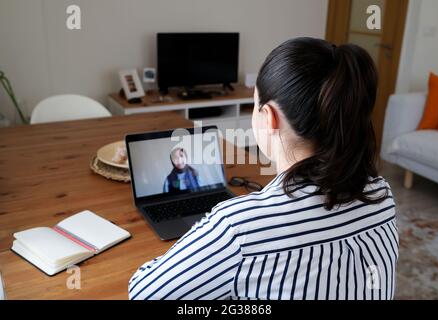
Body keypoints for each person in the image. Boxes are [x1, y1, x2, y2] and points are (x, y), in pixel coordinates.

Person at [129, 37, 398, 300]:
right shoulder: (381, 195)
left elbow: (143, 292)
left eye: (255, 103)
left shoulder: (240, 228)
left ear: (268, 116)